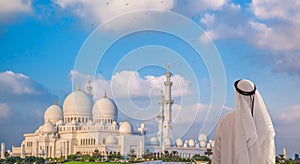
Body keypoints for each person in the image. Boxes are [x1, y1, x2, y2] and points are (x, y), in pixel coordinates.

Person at [212, 79, 275, 164]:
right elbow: (269, 157)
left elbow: (217, 155)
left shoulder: (225, 120)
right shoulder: (264, 123)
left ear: (236, 95)